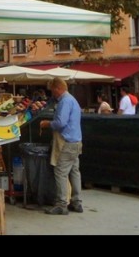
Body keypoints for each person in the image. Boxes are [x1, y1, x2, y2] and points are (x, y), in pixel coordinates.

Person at [39, 77, 83, 215]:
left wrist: (47, 124)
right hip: (76, 141)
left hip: (66, 141)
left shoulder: (64, 102)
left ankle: (61, 204)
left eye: (53, 91)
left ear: (58, 88)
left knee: (60, 172)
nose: (53, 94)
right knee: (74, 171)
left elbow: (60, 122)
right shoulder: (73, 100)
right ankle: (76, 202)